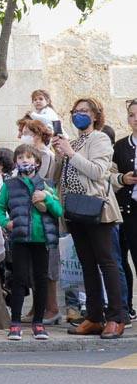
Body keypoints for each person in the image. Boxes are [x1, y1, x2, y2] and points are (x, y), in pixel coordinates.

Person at [54, 97, 124, 339]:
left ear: (95, 116)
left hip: (96, 208)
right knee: (87, 265)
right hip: (73, 210)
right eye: (75, 111)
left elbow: (97, 172)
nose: (78, 115)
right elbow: (58, 177)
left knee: (107, 262)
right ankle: (94, 317)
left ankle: (116, 317)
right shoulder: (73, 142)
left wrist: (71, 153)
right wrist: (60, 154)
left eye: (84, 111)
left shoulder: (100, 139)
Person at [0, 144, 63, 341]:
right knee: (19, 279)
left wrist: (47, 199)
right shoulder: (9, 185)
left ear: (37, 161)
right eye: (20, 157)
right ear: (15, 162)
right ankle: (15, 324)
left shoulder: (46, 185)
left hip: (42, 239)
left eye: (29, 157)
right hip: (20, 238)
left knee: (41, 280)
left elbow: (58, 211)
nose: (25, 160)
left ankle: (39, 324)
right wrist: (5, 222)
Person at [111, 99, 137, 322]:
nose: (135, 119)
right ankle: (126, 307)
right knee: (121, 259)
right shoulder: (120, 146)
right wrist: (123, 179)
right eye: (131, 115)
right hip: (126, 210)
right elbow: (110, 176)